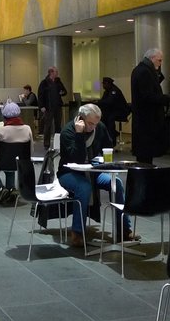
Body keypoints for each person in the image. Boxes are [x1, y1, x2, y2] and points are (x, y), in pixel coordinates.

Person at [56, 104, 135, 248]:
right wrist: (79, 134)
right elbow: (77, 158)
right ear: (81, 119)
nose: (93, 127)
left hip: (92, 170)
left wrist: (102, 159)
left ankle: (124, 229)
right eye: (90, 123)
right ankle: (77, 233)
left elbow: (109, 145)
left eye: (96, 123)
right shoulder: (68, 131)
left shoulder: (99, 128)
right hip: (69, 173)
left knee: (116, 183)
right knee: (84, 187)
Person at [0, 102, 33, 199]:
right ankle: (11, 188)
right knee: (12, 160)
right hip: (20, 164)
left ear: (4, 116)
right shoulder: (28, 129)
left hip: (2, 163)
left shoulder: (1, 131)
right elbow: (31, 151)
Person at [130, 48, 170, 163]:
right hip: (147, 119)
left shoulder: (140, 70)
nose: (160, 63)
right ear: (152, 58)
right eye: (159, 60)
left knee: (144, 155)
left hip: (143, 119)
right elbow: (148, 96)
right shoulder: (145, 72)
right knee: (145, 155)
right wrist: (166, 98)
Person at [37, 66, 68, 149]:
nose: (57, 73)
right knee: (48, 126)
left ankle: (58, 143)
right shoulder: (44, 83)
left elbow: (65, 91)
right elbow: (40, 95)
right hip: (48, 107)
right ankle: (46, 144)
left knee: (58, 125)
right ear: (51, 72)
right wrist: (41, 106)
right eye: (56, 72)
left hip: (57, 106)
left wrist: (62, 92)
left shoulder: (58, 81)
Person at [97, 76, 128, 145]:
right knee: (103, 118)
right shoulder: (107, 91)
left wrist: (99, 102)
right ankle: (110, 135)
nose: (103, 86)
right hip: (112, 111)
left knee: (110, 119)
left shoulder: (114, 91)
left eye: (104, 84)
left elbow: (109, 101)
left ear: (108, 83)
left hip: (121, 111)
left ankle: (112, 139)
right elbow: (104, 101)